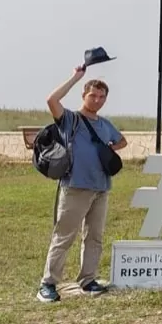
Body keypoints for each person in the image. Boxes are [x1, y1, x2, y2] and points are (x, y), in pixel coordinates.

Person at [37, 65, 128, 302]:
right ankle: (47, 284)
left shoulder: (105, 123)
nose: (97, 100)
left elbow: (122, 141)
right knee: (64, 236)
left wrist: (108, 148)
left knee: (94, 236)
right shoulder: (70, 120)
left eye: (101, 96)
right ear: (83, 96)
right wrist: (76, 77)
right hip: (75, 186)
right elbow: (51, 99)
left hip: (101, 187)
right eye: (92, 95)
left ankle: (88, 279)